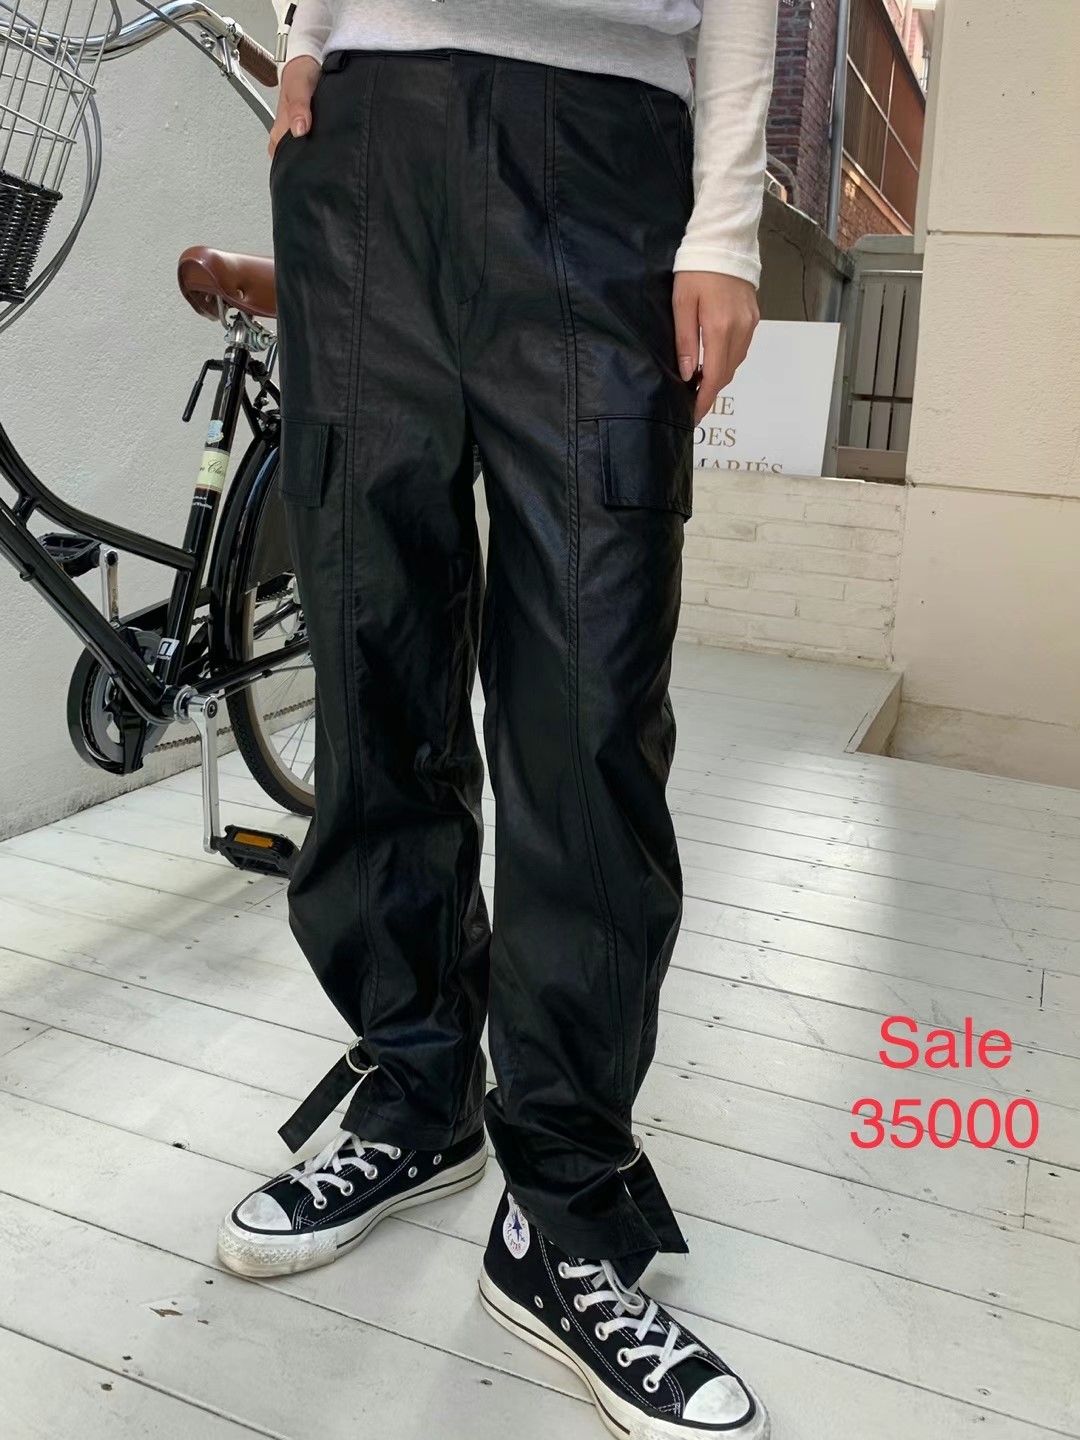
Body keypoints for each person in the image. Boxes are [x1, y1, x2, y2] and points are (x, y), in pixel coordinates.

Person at [218, 3, 776, 1435]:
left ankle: (567, 1207)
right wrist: (303, 32)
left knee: (589, 708)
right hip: (364, 150)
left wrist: (725, 225)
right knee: (372, 662)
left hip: (607, 159)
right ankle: (418, 1095)